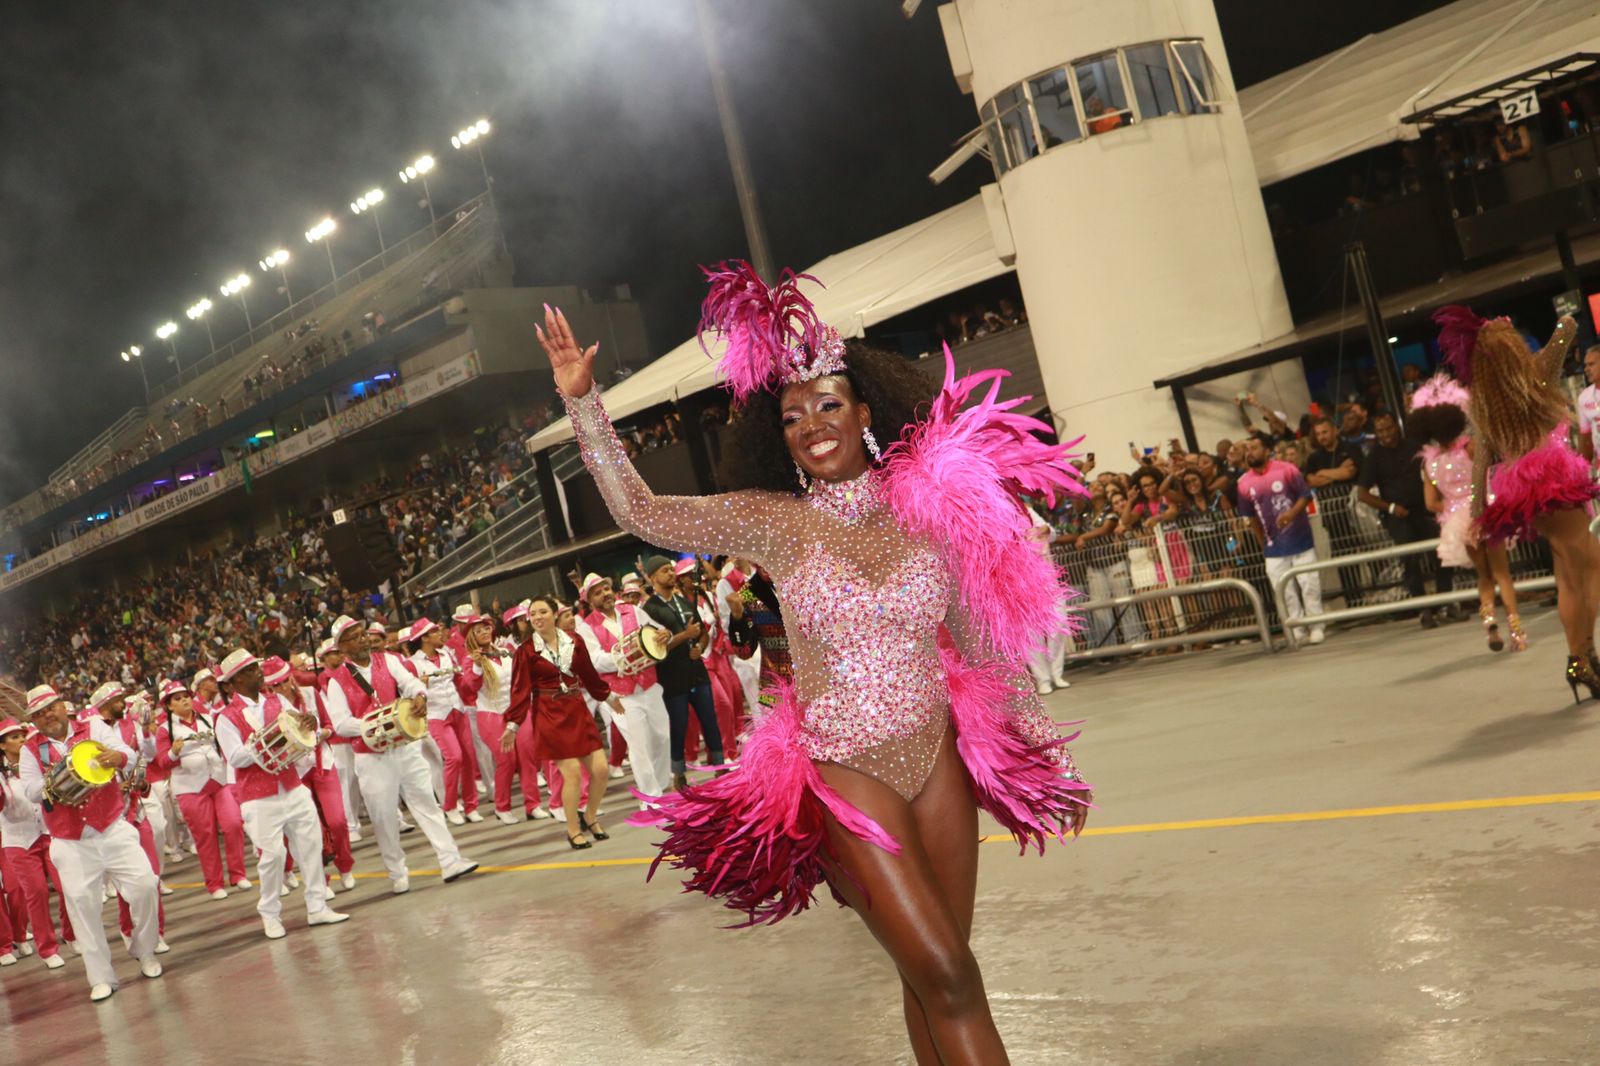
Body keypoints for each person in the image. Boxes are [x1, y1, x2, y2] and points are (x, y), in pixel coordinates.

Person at [537, 261, 1089, 1064]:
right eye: (793, 417)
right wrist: (583, 402)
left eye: (827, 405)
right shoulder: (777, 523)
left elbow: (977, 641)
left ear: (865, 410)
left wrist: (1039, 746)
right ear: (780, 439)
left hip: (937, 759)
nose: (811, 424)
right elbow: (641, 510)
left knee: (933, 976)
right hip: (843, 766)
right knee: (949, 973)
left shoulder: (928, 509)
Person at [1435, 307, 1600, 699]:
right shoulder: (1538, 372)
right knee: (1593, 565)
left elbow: (1480, 462)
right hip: (1553, 479)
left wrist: (1478, 513)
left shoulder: (1484, 403)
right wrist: (1545, 320)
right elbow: (1568, 328)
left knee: (1567, 576)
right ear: (1512, 349)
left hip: (1522, 491)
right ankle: (1586, 653)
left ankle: (1580, 660)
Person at [17, 684, 161, 1002]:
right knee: (83, 907)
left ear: (61, 705)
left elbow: (130, 756)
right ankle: (101, 977)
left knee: (146, 885)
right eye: (39, 714)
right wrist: (57, 778)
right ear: (34, 720)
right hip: (70, 842)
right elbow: (29, 790)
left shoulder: (93, 725)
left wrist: (117, 756)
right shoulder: (31, 748)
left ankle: (145, 949)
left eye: (50, 708)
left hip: (111, 827)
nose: (47, 716)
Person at [323, 615, 480, 890]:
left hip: (404, 747)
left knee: (427, 804)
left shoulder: (389, 660)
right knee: (384, 818)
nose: (363, 639)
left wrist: (420, 695)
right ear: (342, 647)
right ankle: (397, 873)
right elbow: (340, 723)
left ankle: (450, 860)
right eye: (355, 636)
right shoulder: (337, 680)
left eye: (363, 633)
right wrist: (380, 724)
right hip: (372, 757)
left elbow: (411, 683)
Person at [214, 649, 350, 938]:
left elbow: (299, 733)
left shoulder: (278, 700)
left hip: (292, 786)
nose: (257, 671)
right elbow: (235, 757)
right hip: (257, 797)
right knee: (273, 856)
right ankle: (270, 914)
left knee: (312, 847)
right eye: (249, 670)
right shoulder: (226, 716)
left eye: (255, 666)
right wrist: (268, 742)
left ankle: (317, 906)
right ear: (232, 682)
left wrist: (307, 726)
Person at [1409, 375, 1527, 653]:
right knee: (1502, 574)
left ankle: (1489, 624)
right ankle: (1517, 632)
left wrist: (1452, 510)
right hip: (1486, 513)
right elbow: (1487, 475)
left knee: (1483, 576)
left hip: (1458, 523)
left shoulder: (1430, 464)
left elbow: (1430, 503)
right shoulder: (1472, 448)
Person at [508, 595, 622, 849]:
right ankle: (573, 830)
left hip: (576, 708)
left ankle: (589, 815)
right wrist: (512, 725)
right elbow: (519, 691)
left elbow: (590, 676)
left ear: (554, 614)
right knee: (571, 774)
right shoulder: (526, 651)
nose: (537, 617)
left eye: (542, 612)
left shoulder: (575, 641)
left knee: (601, 770)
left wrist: (610, 697)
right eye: (533, 614)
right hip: (548, 713)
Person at [577, 573, 674, 802]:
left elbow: (658, 631)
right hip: (622, 696)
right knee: (639, 747)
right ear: (590, 600)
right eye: (598, 592)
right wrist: (626, 655)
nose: (605, 594)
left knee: (662, 737)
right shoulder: (587, 626)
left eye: (606, 589)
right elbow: (595, 660)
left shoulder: (632, 610)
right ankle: (650, 799)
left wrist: (665, 635)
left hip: (649, 686)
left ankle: (660, 789)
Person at [154, 680, 250, 898]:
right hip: (190, 787)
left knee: (234, 823)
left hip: (218, 779)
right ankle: (215, 884)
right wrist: (173, 753)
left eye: (186, 696)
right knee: (205, 835)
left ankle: (238, 874)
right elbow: (162, 762)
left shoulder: (208, 718)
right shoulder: (164, 730)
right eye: (177, 699)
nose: (184, 700)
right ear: (169, 706)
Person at [1357, 413, 1454, 627]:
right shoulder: (1373, 457)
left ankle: (1445, 604)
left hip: (1424, 511)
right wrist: (1390, 508)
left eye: (1389, 428)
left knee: (1442, 555)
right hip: (1398, 517)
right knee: (1410, 562)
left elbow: (1432, 471)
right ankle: (1423, 610)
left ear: (1397, 427)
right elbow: (1361, 493)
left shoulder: (1414, 446)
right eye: (1380, 431)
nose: (1386, 434)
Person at [638, 553, 725, 790]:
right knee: (679, 725)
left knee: (710, 721)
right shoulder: (649, 609)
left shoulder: (685, 602)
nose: (670, 573)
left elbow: (703, 633)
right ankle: (678, 773)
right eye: (665, 570)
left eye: (671, 569)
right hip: (672, 677)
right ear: (653, 576)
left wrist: (700, 646)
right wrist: (684, 637)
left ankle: (719, 766)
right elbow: (654, 647)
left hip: (697, 671)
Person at [0, 715, 74, 969]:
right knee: (38, 893)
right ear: (2, 745)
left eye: (22, 736)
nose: (21, 740)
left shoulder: (37, 761)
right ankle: (47, 948)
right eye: (13, 737)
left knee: (68, 886)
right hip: (18, 841)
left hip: (47, 832)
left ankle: (70, 931)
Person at [1237, 436, 1325, 644]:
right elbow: (1251, 518)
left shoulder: (1287, 469)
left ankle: (1316, 625)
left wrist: (1291, 515)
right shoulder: (1243, 483)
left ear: (1267, 450)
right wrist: (1262, 544)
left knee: (1309, 583)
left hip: (1300, 539)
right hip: (1273, 546)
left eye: (1255, 447)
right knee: (1284, 590)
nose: (1250, 452)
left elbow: (1305, 496)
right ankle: (1297, 628)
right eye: (1247, 449)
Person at [408, 618, 482, 825]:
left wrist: (474, 676)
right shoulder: (413, 663)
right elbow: (406, 692)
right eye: (435, 632)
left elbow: (460, 681)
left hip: (457, 709)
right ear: (424, 638)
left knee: (468, 757)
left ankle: (471, 805)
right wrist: (417, 686)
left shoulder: (447, 653)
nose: (441, 634)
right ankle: (449, 805)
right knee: (454, 757)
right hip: (435, 715)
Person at [1302, 416, 1369, 607]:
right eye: (1318, 434)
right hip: (1333, 516)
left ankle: (1382, 593)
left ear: (1334, 430)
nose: (1322, 437)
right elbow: (1310, 481)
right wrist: (1335, 473)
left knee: (1371, 552)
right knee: (1343, 559)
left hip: (1357, 511)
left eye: (1325, 432)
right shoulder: (1314, 458)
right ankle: (1354, 601)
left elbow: (1351, 473)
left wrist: (1323, 473)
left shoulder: (1351, 449)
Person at [1575, 344, 1600, 467]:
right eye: (1585, 365)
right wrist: (1583, 468)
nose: (1586, 369)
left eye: (1591, 364)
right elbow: (1585, 437)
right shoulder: (1584, 398)